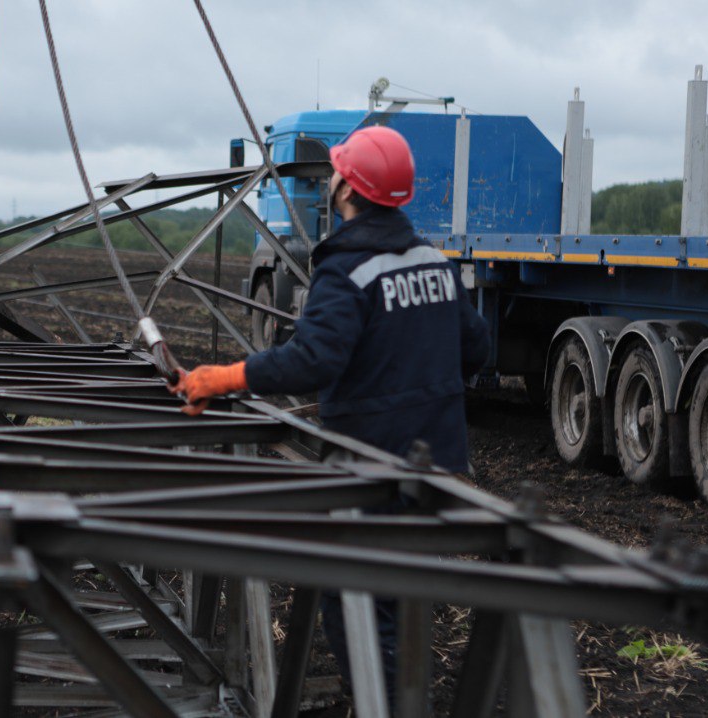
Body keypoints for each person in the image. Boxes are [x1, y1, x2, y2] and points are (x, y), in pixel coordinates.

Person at [170, 126, 490, 704]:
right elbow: (476, 350)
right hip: (433, 465)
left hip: (370, 464)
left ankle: (381, 704)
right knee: (404, 592)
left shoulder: (347, 270)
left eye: (337, 173)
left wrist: (224, 378)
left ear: (346, 189)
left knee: (361, 603)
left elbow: (313, 360)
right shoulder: (435, 263)